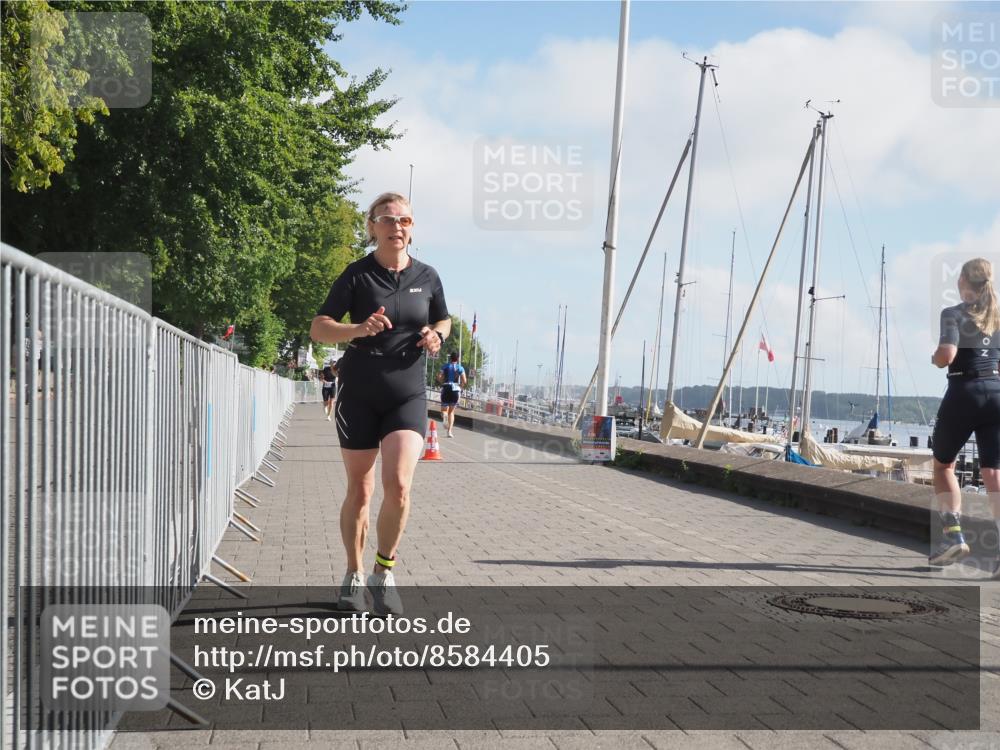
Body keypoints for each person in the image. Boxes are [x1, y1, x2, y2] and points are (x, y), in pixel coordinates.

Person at [310, 191, 451, 614]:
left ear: (412, 228)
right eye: (388, 220)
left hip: (406, 391)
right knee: (361, 489)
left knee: (401, 485)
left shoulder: (428, 275)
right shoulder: (356, 276)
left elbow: (442, 316)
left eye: (405, 220)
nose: (397, 227)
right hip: (360, 391)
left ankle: (383, 571)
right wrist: (357, 328)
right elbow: (319, 329)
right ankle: (353, 573)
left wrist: (437, 335)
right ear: (372, 227)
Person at [929, 258, 1000, 571]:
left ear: (963, 284)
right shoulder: (997, 316)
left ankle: (954, 537)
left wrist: (935, 359)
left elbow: (947, 355)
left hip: (964, 392)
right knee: (994, 475)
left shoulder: (953, 313)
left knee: (943, 465)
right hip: (997, 393)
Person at [436, 352, 467, 437]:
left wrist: (442, 382)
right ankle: (449, 432)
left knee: (444, 410)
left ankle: (445, 421)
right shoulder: (460, 368)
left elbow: (438, 376)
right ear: (458, 359)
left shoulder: (445, 366)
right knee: (451, 412)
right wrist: (460, 387)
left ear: (450, 358)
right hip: (455, 390)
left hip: (446, 388)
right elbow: (464, 381)